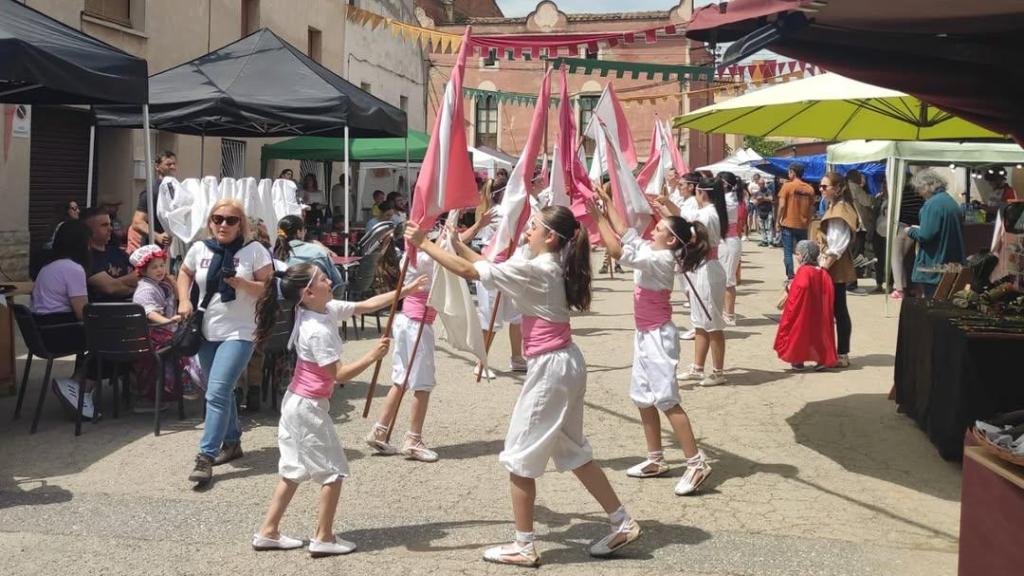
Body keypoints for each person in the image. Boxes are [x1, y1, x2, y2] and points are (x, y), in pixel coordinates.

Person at [405, 206, 641, 567]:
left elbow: (471, 272)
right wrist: (455, 244)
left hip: (551, 369)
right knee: (574, 451)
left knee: (519, 455)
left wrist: (425, 244)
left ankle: (524, 544)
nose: (527, 231)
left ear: (550, 237)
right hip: (564, 362)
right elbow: (486, 266)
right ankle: (621, 520)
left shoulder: (538, 268)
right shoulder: (547, 263)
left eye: (533, 226)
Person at [251, 263, 414, 556]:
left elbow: (366, 305)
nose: (330, 281)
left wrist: (406, 290)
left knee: (293, 469)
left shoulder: (323, 309)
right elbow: (338, 374)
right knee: (333, 471)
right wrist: (373, 356)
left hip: (297, 403)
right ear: (308, 292)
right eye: (323, 278)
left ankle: (268, 531)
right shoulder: (315, 330)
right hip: (307, 407)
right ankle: (323, 537)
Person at [588, 195, 712, 496]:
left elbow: (616, 250)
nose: (652, 230)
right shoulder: (651, 249)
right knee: (643, 397)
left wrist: (597, 219)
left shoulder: (661, 259)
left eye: (659, 229)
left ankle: (696, 463)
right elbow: (624, 230)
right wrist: (607, 201)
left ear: (670, 241)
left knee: (666, 399)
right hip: (644, 333)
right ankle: (655, 458)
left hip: (659, 336)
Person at [177, 199, 273, 486]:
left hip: (240, 332)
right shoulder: (200, 249)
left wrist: (242, 284)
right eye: (218, 218)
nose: (223, 224)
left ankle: (205, 456)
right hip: (207, 331)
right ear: (210, 222)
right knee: (221, 390)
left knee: (217, 392)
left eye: (231, 220)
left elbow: (268, 288)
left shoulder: (254, 251)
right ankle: (232, 442)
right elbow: (184, 273)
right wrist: (183, 300)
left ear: (240, 224)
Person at [365, 243, 442, 462]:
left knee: (401, 379)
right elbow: (446, 248)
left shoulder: (411, 251)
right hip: (417, 322)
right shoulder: (425, 254)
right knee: (422, 383)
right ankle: (413, 440)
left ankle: (380, 430)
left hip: (407, 319)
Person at [31, 220, 94, 417]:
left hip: (42, 332)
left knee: (99, 336)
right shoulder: (73, 269)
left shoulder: (47, 267)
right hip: (59, 333)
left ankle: (79, 381)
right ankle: (80, 386)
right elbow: (82, 312)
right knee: (109, 339)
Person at [129, 245, 196, 409]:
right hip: (151, 336)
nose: (160, 270)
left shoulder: (160, 285)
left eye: (161, 265)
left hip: (161, 332)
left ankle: (176, 388)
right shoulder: (145, 289)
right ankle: (173, 388)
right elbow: (149, 313)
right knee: (181, 346)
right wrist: (168, 321)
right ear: (143, 271)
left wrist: (172, 282)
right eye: (154, 267)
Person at [676, 178, 729, 386]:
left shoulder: (707, 214)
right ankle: (698, 368)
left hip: (708, 269)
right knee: (699, 322)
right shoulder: (708, 212)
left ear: (702, 192)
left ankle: (718, 372)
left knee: (712, 322)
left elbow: (691, 238)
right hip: (700, 268)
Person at [815, 172, 859, 368]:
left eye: (825, 186)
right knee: (834, 309)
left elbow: (839, 244)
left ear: (838, 188)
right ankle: (836, 352)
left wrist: (824, 266)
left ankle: (842, 354)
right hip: (830, 261)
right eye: (820, 186)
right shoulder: (834, 207)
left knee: (838, 310)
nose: (821, 189)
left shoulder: (841, 210)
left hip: (835, 265)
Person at [774, 240, 837, 370]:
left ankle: (797, 359)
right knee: (819, 335)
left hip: (803, 310)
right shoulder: (821, 271)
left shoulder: (804, 271)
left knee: (799, 333)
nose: (796, 256)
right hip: (818, 311)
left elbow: (801, 288)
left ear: (804, 255)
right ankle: (822, 359)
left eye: (798, 254)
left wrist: (790, 289)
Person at [907, 169, 965, 297]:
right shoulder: (950, 202)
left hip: (934, 266)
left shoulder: (932, 205)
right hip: (950, 265)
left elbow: (925, 235)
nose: (918, 193)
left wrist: (911, 231)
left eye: (919, 189)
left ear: (926, 186)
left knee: (933, 301)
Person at [273, 215, 344, 292]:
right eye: (304, 230)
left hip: (286, 298)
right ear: (299, 232)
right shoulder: (317, 251)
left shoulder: (275, 254)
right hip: (316, 297)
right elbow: (338, 284)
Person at [83, 207, 137, 303]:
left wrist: (115, 282)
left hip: (132, 306)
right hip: (104, 309)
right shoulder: (86, 258)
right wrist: (133, 285)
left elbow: (141, 275)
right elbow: (110, 288)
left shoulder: (118, 252)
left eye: (110, 224)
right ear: (89, 230)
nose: (110, 229)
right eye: (104, 225)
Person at [129, 150, 176, 252]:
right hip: (153, 250)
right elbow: (137, 222)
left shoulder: (176, 189)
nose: (173, 167)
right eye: (168, 164)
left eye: (174, 164)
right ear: (157, 167)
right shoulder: (151, 191)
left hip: (173, 250)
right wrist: (157, 236)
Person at [776, 162, 815, 279]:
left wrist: (777, 221)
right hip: (802, 225)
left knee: (788, 252)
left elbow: (782, 206)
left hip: (788, 224)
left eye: (789, 171)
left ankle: (790, 276)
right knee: (804, 252)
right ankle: (805, 275)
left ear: (793, 172)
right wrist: (808, 221)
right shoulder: (809, 189)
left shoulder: (787, 186)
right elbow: (811, 208)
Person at [716, 172, 743, 326]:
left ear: (725, 184)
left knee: (728, 279)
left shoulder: (729, 200)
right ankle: (723, 312)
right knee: (722, 278)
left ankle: (729, 314)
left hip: (729, 242)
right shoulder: (726, 198)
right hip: (723, 241)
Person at [890, 182, 924, 299]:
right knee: (909, 258)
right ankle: (913, 288)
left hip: (900, 225)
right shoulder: (919, 192)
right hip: (915, 226)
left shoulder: (899, 191)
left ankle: (899, 289)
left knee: (896, 257)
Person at [754, 178, 775, 246]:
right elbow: (755, 202)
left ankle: (770, 241)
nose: (762, 185)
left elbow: (771, 198)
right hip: (760, 211)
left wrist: (762, 198)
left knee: (769, 227)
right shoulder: (757, 192)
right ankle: (764, 240)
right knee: (762, 227)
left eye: (763, 183)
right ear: (758, 184)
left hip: (768, 211)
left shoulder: (768, 191)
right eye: (760, 184)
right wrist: (762, 199)